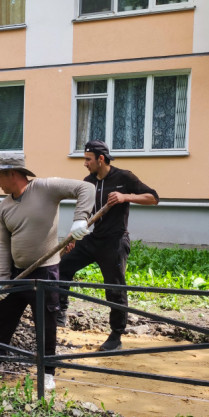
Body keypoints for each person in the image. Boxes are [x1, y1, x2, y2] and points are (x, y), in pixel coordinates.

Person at [0, 153, 94, 390]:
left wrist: (81, 219)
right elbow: (4, 245)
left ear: (12, 173)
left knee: (45, 323)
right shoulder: (4, 207)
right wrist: (3, 280)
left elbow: (86, 188)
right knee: (1, 317)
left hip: (45, 273)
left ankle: (47, 372)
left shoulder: (46, 188)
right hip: (17, 274)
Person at [58, 140, 159, 351]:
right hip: (94, 238)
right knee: (63, 265)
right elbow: (84, 212)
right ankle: (60, 314)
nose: (85, 163)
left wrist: (125, 196)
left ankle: (116, 336)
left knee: (115, 288)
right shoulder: (88, 182)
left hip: (115, 241)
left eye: (88, 159)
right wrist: (74, 235)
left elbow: (153, 198)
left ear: (100, 159)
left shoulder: (124, 177)